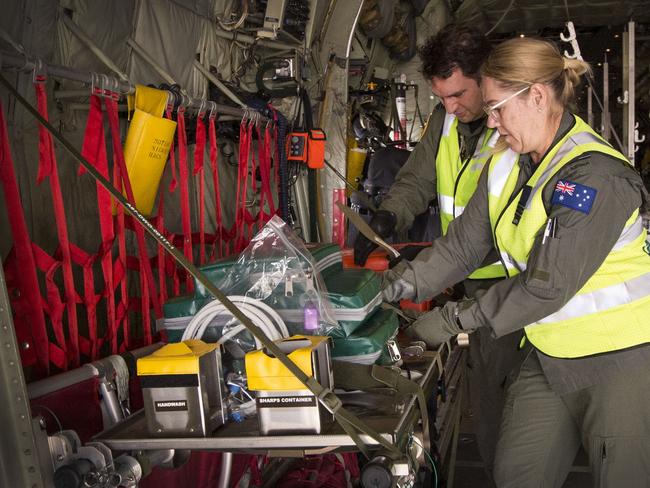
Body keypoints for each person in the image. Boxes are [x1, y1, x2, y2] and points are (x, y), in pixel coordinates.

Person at [383, 37, 650, 487]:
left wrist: (453, 320)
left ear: (538, 97)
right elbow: (462, 247)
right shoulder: (508, 162)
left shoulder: (593, 176)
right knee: (516, 474)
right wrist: (396, 287)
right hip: (548, 350)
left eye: (497, 108)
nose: (490, 122)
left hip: (617, 361)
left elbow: (546, 284)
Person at [354, 24, 525, 484]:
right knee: (490, 396)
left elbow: (484, 232)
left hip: (515, 283)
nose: (451, 106)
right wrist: (389, 216)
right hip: (466, 274)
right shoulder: (446, 121)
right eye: (441, 97)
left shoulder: (517, 130)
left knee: (517, 403)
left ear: (485, 77)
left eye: (458, 94)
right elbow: (416, 180)